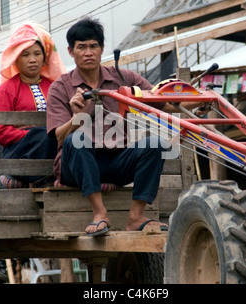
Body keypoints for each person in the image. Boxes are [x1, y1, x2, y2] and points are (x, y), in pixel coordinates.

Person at [47, 17, 185, 236]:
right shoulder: (60, 87)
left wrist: (197, 103)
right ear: (71, 52)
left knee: (155, 144)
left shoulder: (123, 77)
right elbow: (60, 137)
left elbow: (161, 101)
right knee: (76, 139)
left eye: (93, 46)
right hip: (77, 165)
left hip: (117, 161)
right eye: (81, 47)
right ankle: (100, 214)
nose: (88, 52)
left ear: (102, 49)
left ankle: (136, 217)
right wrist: (77, 118)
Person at [0, 22, 67, 188]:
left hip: (53, 146)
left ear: (45, 58)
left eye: (37, 54)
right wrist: (34, 134)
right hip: (19, 151)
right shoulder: (7, 90)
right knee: (48, 135)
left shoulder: (55, 87)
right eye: (25, 54)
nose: (32, 59)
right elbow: (1, 133)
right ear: (16, 59)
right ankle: (45, 177)